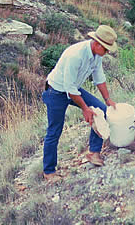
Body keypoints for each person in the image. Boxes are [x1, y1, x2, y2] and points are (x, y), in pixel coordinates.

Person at [42, 25, 117, 181]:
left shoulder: (96, 55)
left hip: (73, 89)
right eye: (107, 49)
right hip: (56, 91)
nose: (108, 52)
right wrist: (85, 109)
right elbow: (69, 90)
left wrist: (108, 99)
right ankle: (49, 172)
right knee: (54, 131)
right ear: (97, 44)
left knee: (101, 109)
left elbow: (99, 78)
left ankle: (94, 152)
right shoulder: (75, 55)